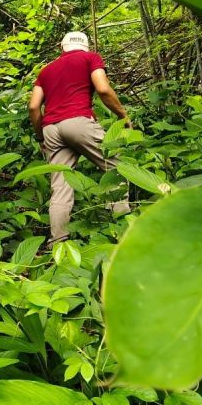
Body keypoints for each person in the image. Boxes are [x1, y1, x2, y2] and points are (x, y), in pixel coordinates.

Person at [27, 31, 131, 247]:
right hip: (78, 122)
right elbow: (103, 88)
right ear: (85, 46)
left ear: (61, 47)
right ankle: (123, 235)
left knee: (61, 186)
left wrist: (41, 137)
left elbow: (34, 106)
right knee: (117, 168)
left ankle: (58, 244)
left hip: (51, 129)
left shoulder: (46, 71)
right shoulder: (90, 58)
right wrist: (123, 116)